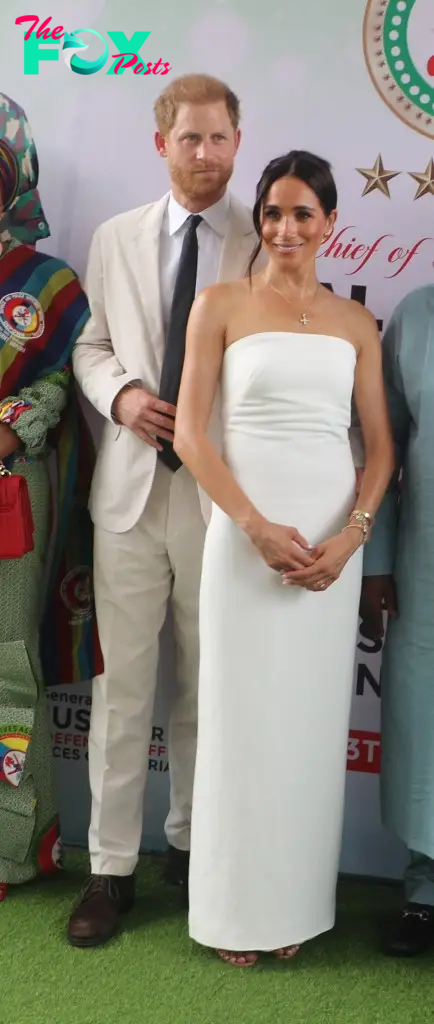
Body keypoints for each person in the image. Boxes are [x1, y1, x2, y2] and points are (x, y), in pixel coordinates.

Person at [173, 150, 394, 966]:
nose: (286, 228)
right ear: (258, 218)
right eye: (272, 212)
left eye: (303, 213)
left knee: (305, 729)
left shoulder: (356, 323)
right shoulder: (220, 304)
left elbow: (378, 448)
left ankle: (295, 904)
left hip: (330, 555)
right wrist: (254, 526)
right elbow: (193, 434)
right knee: (241, 723)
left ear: (331, 222)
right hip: (244, 541)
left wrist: (351, 536)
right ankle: (236, 913)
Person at [69, 72, 267, 948]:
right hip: (128, 499)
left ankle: (191, 850)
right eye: (189, 139)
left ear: (237, 141)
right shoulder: (113, 238)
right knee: (122, 693)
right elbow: (91, 345)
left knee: (205, 690)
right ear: (161, 145)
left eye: (220, 138)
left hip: (220, 503)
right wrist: (120, 398)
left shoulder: (266, 245)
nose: (205, 155)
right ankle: (109, 871)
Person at [0, 92, 98, 900]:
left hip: (9, 492)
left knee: (7, 663)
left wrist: (14, 423)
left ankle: (12, 846)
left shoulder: (49, 281)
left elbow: (73, 373)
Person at [360, 286, 434, 957]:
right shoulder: (415, 317)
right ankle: (423, 895)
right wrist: (376, 559)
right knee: (424, 731)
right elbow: (385, 447)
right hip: (424, 566)